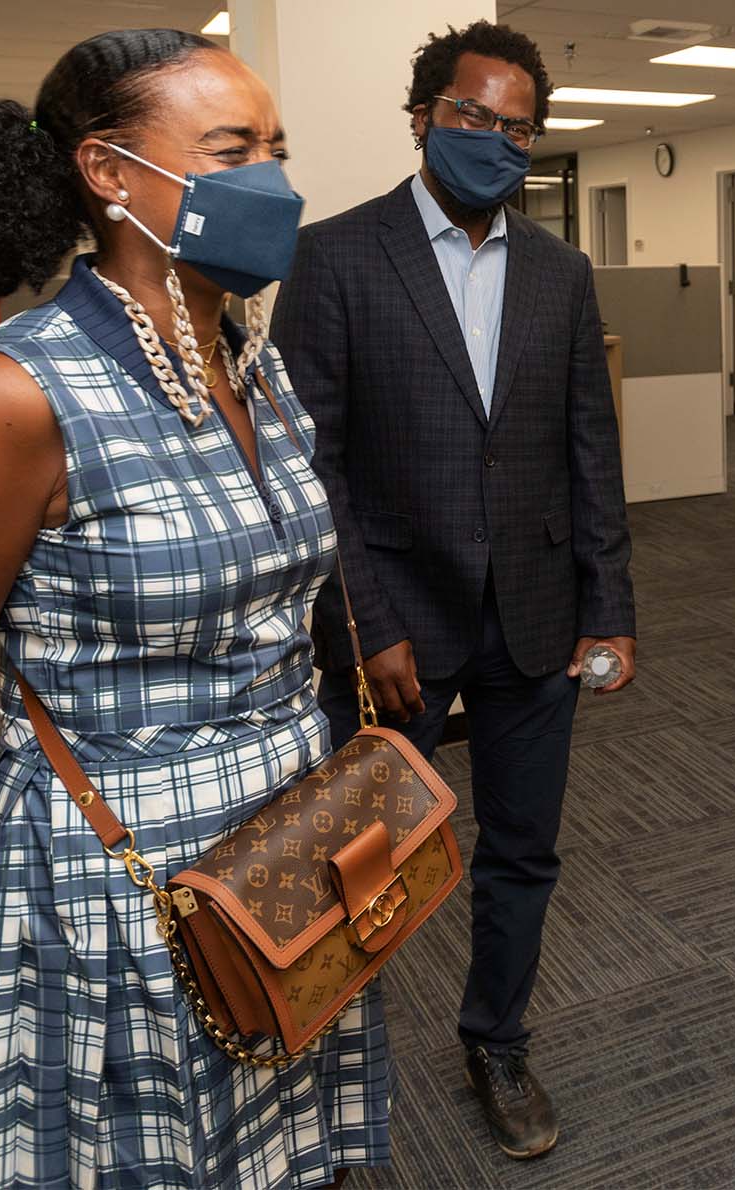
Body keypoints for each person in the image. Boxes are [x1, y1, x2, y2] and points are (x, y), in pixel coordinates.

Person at [0, 29, 388, 1188]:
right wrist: (28, 893)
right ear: (107, 173)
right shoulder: (8, 393)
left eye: (277, 149)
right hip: (114, 892)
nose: (273, 182)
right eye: (232, 148)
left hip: (285, 865)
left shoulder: (253, 360)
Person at [271, 20, 635, 1164]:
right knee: (355, 866)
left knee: (522, 850)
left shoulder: (560, 273)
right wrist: (363, 622)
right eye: (472, 116)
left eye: (516, 126)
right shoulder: (335, 258)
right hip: (396, 627)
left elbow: (591, 448)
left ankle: (497, 1039)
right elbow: (311, 466)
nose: (494, 140)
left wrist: (608, 603)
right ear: (423, 114)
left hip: (533, 616)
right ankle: (329, 1065)